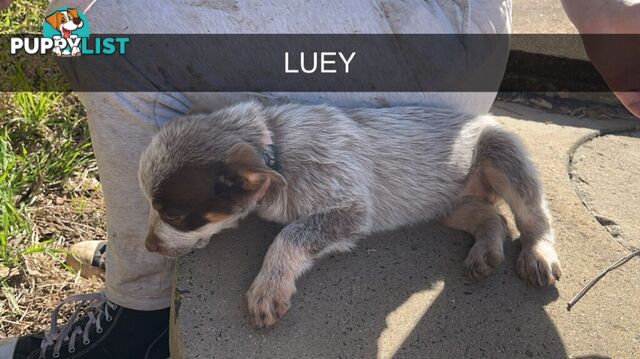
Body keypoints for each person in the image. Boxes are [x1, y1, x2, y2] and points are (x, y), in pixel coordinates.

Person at [0, 0, 638, 358]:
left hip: (386, 52)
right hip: (447, 38)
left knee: (93, 32)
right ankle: (182, 228)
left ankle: (136, 321)